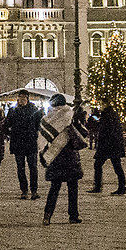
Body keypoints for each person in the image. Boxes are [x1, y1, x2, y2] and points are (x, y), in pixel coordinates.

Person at [40, 95, 86, 224]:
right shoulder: (70, 115)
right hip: (70, 155)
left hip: (55, 156)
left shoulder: (47, 119)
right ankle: (73, 215)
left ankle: (47, 216)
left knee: (54, 188)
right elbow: (82, 132)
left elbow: (42, 139)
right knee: (73, 189)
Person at [7, 99, 41, 199]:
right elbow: (7, 124)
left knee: (33, 168)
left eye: (23, 97)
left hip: (30, 143)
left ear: (27, 99)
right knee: (21, 168)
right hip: (18, 143)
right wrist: (11, 134)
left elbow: (39, 125)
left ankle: (34, 190)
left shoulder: (34, 110)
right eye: (19, 97)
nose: (21, 100)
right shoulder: (13, 111)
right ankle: (24, 190)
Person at [92, 102, 126, 194]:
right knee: (116, 166)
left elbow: (107, 131)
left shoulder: (108, 115)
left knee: (99, 165)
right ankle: (121, 187)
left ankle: (98, 186)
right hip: (112, 145)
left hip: (108, 145)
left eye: (101, 104)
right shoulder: (112, 114)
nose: (100, 106)